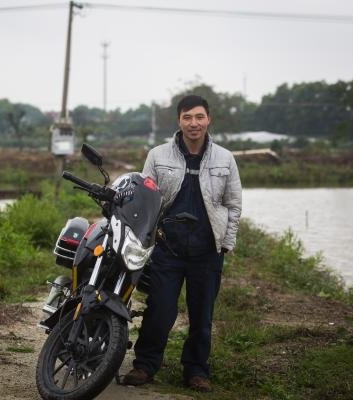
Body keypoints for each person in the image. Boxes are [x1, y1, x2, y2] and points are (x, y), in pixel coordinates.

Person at [122, 94, 242, 392]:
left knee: (202, 315)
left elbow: (233, 204)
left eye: (199, 117)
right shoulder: (158, 155)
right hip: (167, 248)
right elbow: (144, 197)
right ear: (179, 120)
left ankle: (196, 371)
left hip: (206, 251)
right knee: (160, 310)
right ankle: (145, 366)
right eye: (187, 117)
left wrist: (226, 243)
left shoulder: (225, 158)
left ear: (208, 119)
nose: (194, 123)